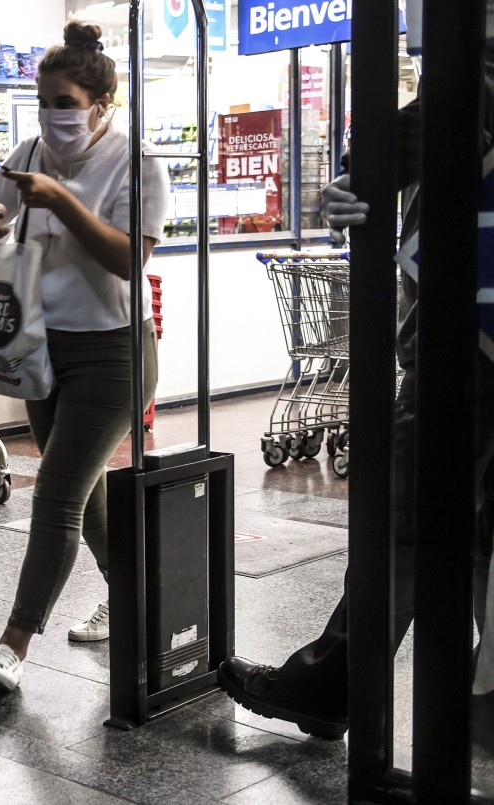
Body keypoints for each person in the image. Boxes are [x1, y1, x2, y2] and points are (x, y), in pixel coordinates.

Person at [219, 38, 494, 741]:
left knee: (402, 534)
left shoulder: (468, 86)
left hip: (451, 369)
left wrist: (352, 180)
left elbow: (384, 153)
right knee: (452, 540)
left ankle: (333, 685)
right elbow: (377, 163)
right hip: (454, 364)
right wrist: (352, 182)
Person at [0, 20, 168, 692]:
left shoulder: (136, 161)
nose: (53, 116)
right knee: (88, 499)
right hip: (40, 351)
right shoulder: (27, 150)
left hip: (113, 355)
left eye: (66, 103)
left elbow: (127, 257)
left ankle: (13, 642)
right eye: (45, 101)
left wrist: (62, 201)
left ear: (102, 104)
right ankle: (141, 596)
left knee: (54, 494)